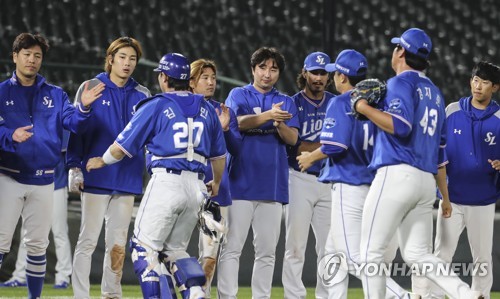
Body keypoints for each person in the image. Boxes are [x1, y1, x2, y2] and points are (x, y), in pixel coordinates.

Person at [354, 28, 483, 298]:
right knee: (418, 254)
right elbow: (440, 153)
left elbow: (400, 127)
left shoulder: (399, 83)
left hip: (397, 173)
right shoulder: (435, 93)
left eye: (395, 47)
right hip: (425, 183)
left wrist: (363, 107)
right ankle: (467, 294)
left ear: (400, 51)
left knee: (369, 254)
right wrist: (444, 196)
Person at [86, 52, 227, 299]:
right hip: (196, 188)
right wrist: (215, 182)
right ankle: (195, 292)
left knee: (144, 248)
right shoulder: (207, 108)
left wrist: (102, 160)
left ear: (164, 77)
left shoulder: (157, 104)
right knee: (175, 251)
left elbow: (121, 147)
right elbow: (219, 157)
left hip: (167, 182)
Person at [297, 49, 414, 299]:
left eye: (334, 73)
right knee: (332, 254)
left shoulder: (340, 102)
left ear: (340, 76)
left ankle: (402, 295)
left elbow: (334, 146)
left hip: (348, 185)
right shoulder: (378, 104)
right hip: (374, 185)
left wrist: (310, 157)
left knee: (351, 257)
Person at [0, 32, 102, 299]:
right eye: (27, 54)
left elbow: (74, 124)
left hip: (45, 180)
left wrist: (83, 109)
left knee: (37, 246)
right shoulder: (1, 92)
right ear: (15, 57)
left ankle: (34, 298)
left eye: (37, 56)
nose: (32, 60)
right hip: (8, 177)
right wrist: (10, 135)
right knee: (0, 243)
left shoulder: (56, 94)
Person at [65, 36, 150, 299]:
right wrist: (73, 166)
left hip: (127, 178)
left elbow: (146, 138)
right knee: (87, 241)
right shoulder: (91, 86)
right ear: (110, 59)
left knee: (117, 245)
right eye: (122, 57)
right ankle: (81, 295)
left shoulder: (143, 95)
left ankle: (111, 295)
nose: (127, 63)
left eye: (132, 59)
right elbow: (76, 131)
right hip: (96, 175)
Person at [412, 61, 500, 299]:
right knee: (442, 255)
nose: (477, 85)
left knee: (482, 258)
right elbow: (436, 148)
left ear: (495, 87)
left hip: (483, 199)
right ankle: (435, 296)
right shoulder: (451, 110)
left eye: (484, 82)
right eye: (475, 79)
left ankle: (480, 296)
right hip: (451, 197)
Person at [217, 47, 299, 299]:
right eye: (262, 67)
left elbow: (293, 138)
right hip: (240, 182)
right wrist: (267, 116)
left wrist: (280, 124)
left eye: (273, 69)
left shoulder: (287, 101)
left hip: (272, 186)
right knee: (232, 247)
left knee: (266, 252)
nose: (267, 74)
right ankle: (226, 296)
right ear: (253, 69)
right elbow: (234, 124)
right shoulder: (238, 94)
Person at [282, 51, 334, 299]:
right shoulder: (293, 102)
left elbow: (340, 144)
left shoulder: (335, 102)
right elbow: (295, 145)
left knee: (329, 248)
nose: (319, 77)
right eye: (315, 72)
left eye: (323, 73)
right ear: (304, 73)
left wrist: (313, 148)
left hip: (329, 181)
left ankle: (326, 295)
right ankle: (294, 296)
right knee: (295, 246)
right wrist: (328, 148)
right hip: (299, 178)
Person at [189, 58, 242, 297]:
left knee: (210, 254)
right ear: (191, 82)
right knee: (171, 248)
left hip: (216, 189)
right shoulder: (183, 107)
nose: (211, 83)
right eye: (204, 78)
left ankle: (203, 295)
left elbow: (236, 149)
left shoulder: (222, 110)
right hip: (186, 186)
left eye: (213, 78)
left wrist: (226, 129)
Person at [0, 132, 73, 289]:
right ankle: (20, 275)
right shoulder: (28, 116)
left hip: (56, 184)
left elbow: (63, 151)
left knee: (59, 231)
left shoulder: (57, 113)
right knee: (26, 232)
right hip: (30, 181)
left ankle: (63, 276)